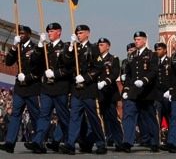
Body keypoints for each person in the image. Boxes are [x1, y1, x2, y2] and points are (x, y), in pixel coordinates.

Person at [24, 22, 74, 153]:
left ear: (59, 32)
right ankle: (38, 141)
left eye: (52, 31)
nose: (49, 33)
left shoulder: (66, 47)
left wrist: (56, 74)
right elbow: (33, 63)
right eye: (48, 31)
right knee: (43, 115)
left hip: (60, 87)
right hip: (46, 88)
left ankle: (69, 143)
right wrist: (40, 45)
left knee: (63, 117)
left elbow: (69, 67)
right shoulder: (45, 48)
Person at [59, 25, 107, 155]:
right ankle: (70, 144)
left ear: (88, 34)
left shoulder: (93, 48)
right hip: (76, 90)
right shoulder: (74, 48)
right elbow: (66, 63)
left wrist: (85, 78)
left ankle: (101, 143)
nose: (79, 35)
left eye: (81, 33)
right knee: (74, 117)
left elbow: (99, 68)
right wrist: (69, 49)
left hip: (89, 89)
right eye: (77, 33)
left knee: (93, 118)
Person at [0, 25, 42, 153]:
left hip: (31, 87)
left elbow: (38, 67)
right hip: (19, 88)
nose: (21, 35)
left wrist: (27, 77)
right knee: (15, 115)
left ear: (29, 34)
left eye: (23, 33)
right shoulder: (17, 47)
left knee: (35, 116)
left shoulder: (35, 48)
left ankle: (38, 142)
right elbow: (8, 63)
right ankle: (9, 143)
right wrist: (13, 47)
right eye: (19, 33)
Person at [121, 31, 159, 153]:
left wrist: (144, 80)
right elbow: (128, 75)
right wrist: (126, 89)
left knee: (149, 117)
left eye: (138, 39)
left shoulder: (152, 55)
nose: (136, 41)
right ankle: (127, 142)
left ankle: (154, 142)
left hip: (147, 92)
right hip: (133, 92)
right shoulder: (132, 56)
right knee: (128, 115)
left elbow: (154, 71)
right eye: (135, 39)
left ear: (144, 40)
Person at [97, 38, 123, 151]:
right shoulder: (95, 59)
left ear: (108, 46)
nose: (100, 47)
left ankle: (119, 140)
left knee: (112, 117)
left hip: (110, 93)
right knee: (101, 117)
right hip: (99, 93)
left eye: (102, 45)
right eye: (99, 45)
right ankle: (106, 139)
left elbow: (115, 73)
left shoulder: (113, 59)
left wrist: (105, 82)